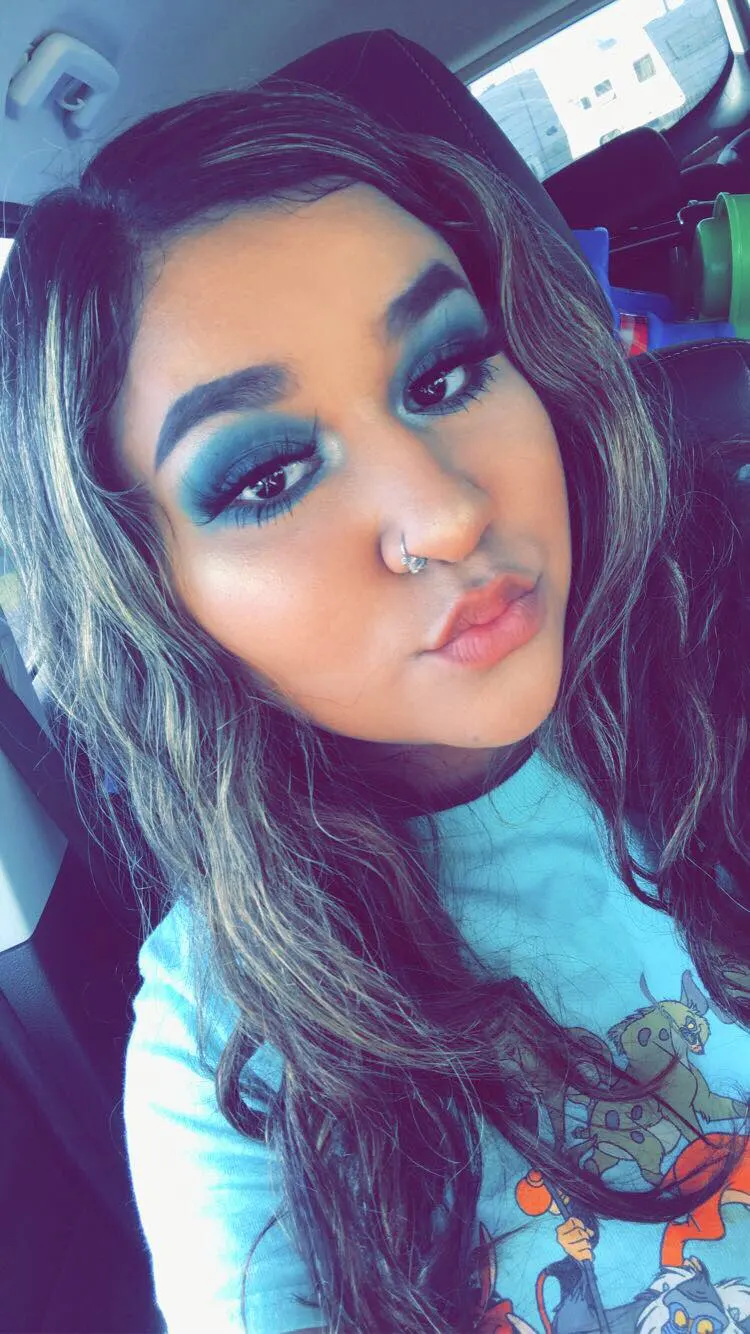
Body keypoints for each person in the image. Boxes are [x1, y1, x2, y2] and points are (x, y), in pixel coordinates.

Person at [0, 79, 748, 1334]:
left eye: (446, 372)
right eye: (268, 475)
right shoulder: (219, 1043)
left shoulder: (726, 657)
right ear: (156, 595)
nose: (448, 512)